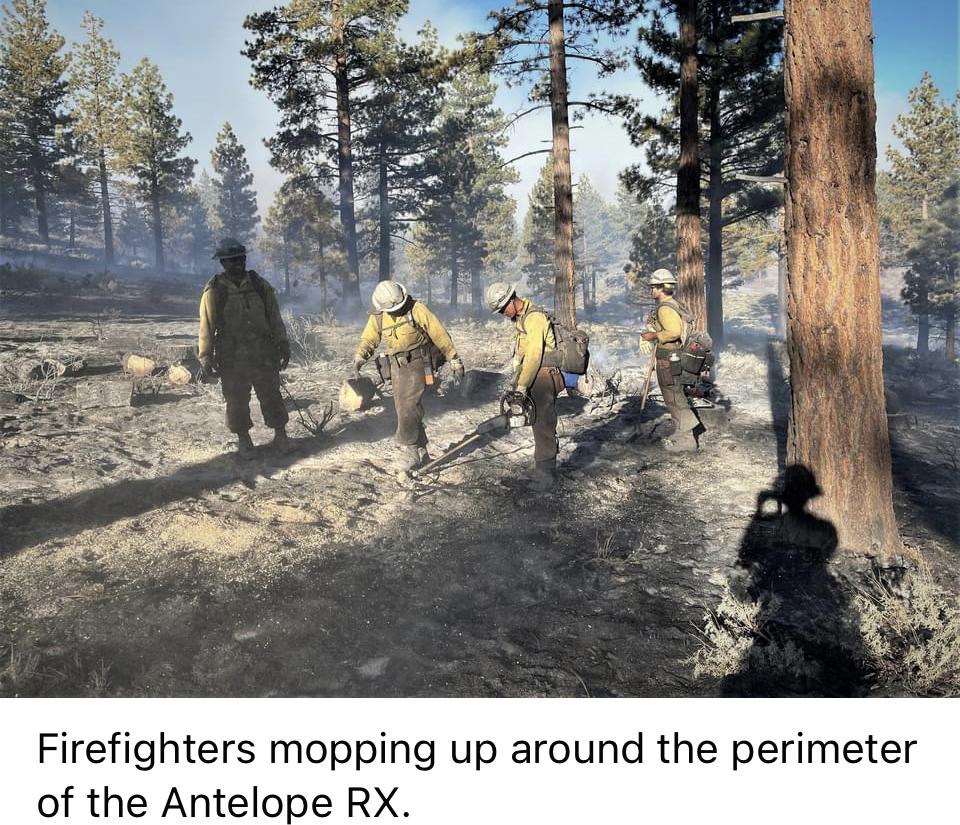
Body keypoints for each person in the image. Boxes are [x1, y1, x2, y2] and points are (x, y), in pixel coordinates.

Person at [354, 281, 463, 471]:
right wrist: (359, 356)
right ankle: (422, 451)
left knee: (409, 406)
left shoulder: (417, 309)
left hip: (418, 362)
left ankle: (411, 450)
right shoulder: (379, 315)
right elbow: (369, 338)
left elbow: (439, 334)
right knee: (402, 407)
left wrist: (453, 358)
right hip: (396, 366)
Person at [198, 238, 291, 457]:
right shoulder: (214, 290)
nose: (237, 263)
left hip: (263, 351)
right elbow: (206, 326)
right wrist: (206, 357)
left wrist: (283, 343)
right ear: (222, 263)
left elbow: (274, 316)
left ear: (245, 258)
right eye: (231, 260)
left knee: (271, 394)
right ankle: (244, 439)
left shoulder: (259, 284)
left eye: (240, 258)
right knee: (236, 398)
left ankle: (281, 435)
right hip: (231, 354)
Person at [485, 281, 564, 488]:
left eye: (503, 309)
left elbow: (535, 355)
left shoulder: (535, 317)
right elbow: (523, 355)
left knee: (543, 422)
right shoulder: (521, 320)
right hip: (534, 374)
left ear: (512, 300)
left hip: (545, 375)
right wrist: (516, 380)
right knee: (537, 422)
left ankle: (546, 475)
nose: (503, 313)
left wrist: (522, 386)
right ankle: (543, 468)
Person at [639, 268, 702, 451]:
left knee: (674, 397)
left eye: (653, 287)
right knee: (672, 396)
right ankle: (681, 430)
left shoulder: (666, 308)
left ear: (660, 287)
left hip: (668, 358)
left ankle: (687, 439)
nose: (651, 290)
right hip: (670, 357)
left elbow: (673, 332)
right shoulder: (671, 304)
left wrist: (653, 336)